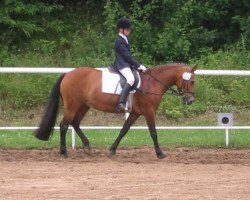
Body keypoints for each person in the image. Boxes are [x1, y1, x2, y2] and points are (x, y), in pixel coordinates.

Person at [113, 17, 147, 112]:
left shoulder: (124, 39)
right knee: (131, 79)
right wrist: (139, 65)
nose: (129, 31)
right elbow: (127, 56)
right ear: (121, 29)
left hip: (126, 64)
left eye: (129, 29)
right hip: (121, 64)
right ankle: (121, 103)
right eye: (127, 29)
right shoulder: (119, 41)